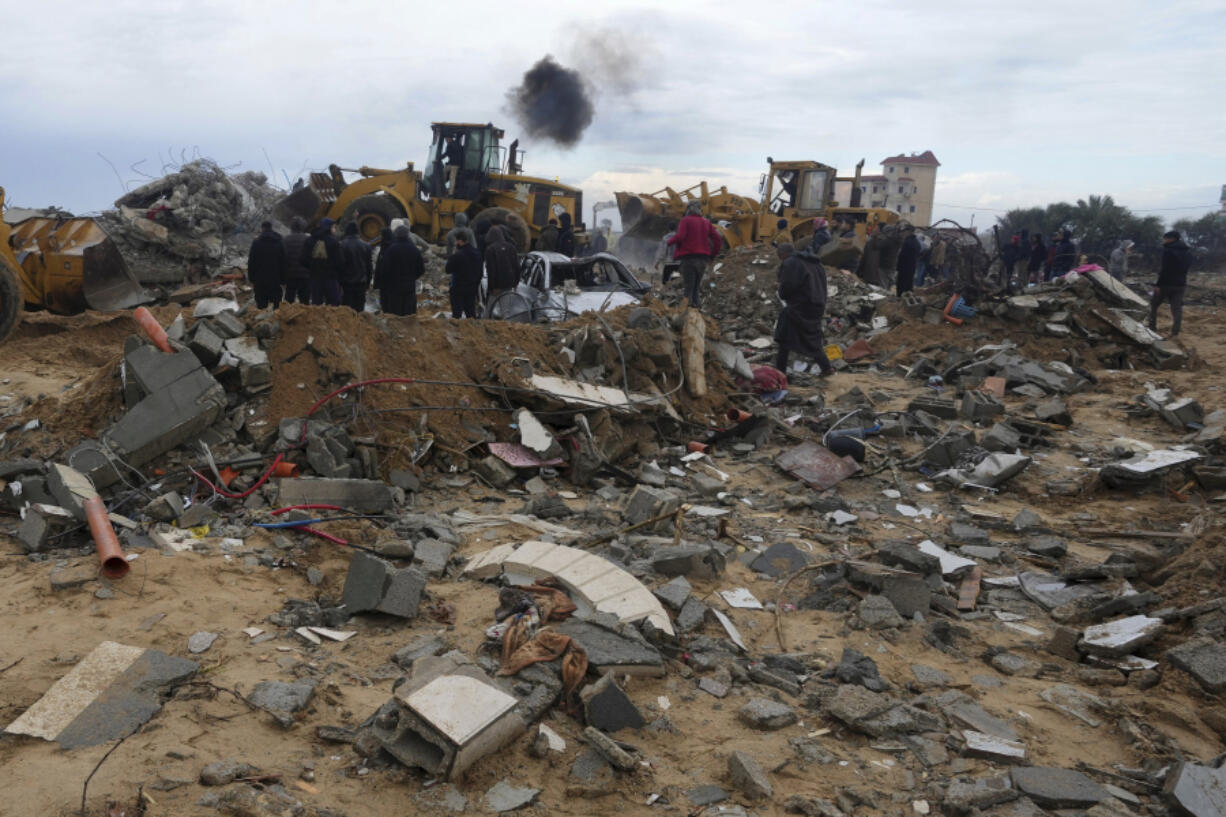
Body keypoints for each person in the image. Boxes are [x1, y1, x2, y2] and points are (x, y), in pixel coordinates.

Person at [773, 243, 833, 376]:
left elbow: (787, 287)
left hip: (800, 306)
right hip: (817, 306)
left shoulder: (791, 263)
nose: (781, 261)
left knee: (783, 336)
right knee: (812, 337)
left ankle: (780, 371)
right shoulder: (815, 263)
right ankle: (826, 367)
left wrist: (780, 290)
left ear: (783, 254)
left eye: (780, 257)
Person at [667, 201, 721, 310]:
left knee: (688, 288)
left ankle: (686, 313)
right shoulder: (706, 222)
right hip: (703, 259)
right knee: (696, 287)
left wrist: (669, 242)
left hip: (689, 259)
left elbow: (680, 237)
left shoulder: (685, 221)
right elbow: (718, 239)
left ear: (688, 209)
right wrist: (712, 256)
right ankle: (697, 311)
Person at [1150, 230, 1191, 336]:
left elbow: (1165, 270)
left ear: (1172, 238)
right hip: (1181, 284)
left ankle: (1152, 328)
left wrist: (1158, 285)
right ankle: (1175, 332)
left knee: (1153, 305)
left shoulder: (1168, 251)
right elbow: (1186, 268)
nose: (1163, 240)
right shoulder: (1187, 252)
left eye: (1165, 238)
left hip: (1166, 284)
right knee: (1176, 308)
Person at [379, 226, 425, 316]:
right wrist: (412, 277)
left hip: (394, 288)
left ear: (396, 235)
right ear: (407, 235)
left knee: (395, 316)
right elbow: (421, 269)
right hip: (410, 288)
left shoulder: (391, 250)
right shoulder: (414, 250)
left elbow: (384, 270)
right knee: (408, 316)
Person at [302, 217, 343, 305]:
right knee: (333, 304)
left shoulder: (309, 240)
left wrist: (312, 267)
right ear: (328, 227)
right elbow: (340, 262)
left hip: (314, 277)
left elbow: (303, 259)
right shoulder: (334, 242)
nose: (334, 229)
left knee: (316, 304)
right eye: (333, 227)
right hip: (330, 279)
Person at [247, 221, 286, 309]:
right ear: (271, 228)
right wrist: (283, 279)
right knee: (276, 307)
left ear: (262, 228)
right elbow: (283, 262)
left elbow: (251, 262)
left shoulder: (256, 243)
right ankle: (275, 321)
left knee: (261, 307)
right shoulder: (279, 242)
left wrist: (251, 278)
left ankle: (261, 322)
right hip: (275, 280)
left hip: (260, 281)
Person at [338, 222, 373, 312]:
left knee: (347, 311)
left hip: (346, 284)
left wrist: (339, 281)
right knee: (360, 310)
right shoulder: (366, 246)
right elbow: (369, 266)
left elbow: (340, 266)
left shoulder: (342, 245)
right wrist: (368, 282)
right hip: (361, 283)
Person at [446, 233, 482, 318]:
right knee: (470, 312)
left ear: (459, 241)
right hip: (472, 287)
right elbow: (480, 271)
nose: (455, 244)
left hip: (458, 288)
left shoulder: (458, 255)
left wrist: (453, 254)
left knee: (457, 314)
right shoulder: (477, 252)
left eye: (455, 241)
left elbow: (448, 269)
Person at [484, 225, 519, 306]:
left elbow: (491, 270)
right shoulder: (511, 247)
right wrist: (516, 282)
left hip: (496, 286)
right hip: (509, 284)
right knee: (506, 310)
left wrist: (491, 287)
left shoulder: (490, 249)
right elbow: (517, 267)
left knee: (490, 308)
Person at [282, 217, 311, 304]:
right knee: (305, 299)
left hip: (290, 274)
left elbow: (283, 258)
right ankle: (304, 315)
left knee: (289, 298)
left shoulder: (285, 239)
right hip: (305, 274)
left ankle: (287, 314)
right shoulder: (308, 239)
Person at [896, 226, 920, 295]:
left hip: (904, 268)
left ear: (909, 232)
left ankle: (900, 299)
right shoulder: (917, 242)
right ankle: (908, 298)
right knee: (909, 285)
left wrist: (898, 267)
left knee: (901, 285)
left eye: (905, 231)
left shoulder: (907, 242)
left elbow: (902, 256)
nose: (904, 233)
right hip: (912, 267)